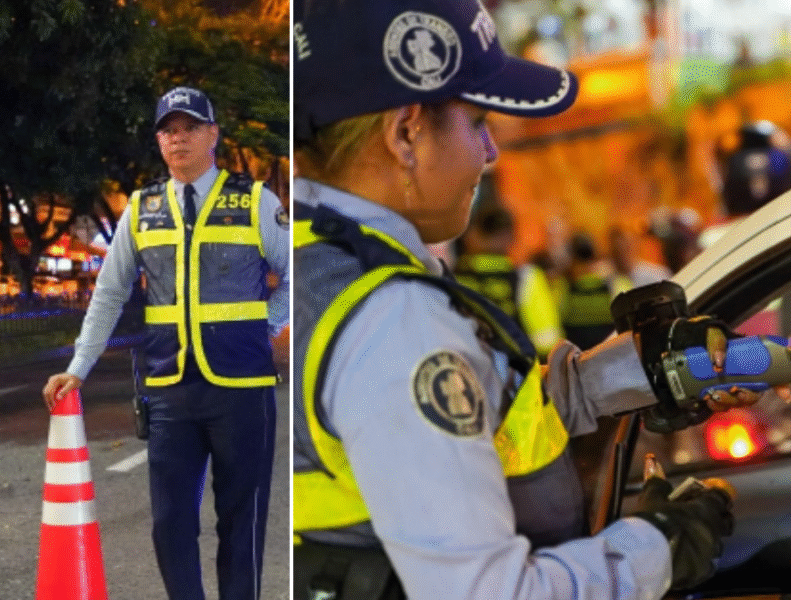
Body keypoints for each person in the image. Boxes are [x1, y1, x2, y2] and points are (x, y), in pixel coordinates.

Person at [292, 1, 783, 598]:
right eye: (477, 122)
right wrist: (658, 543)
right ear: (405, 133)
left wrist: (639, 368)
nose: (491, 152)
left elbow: (491, 423)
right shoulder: (396, 322)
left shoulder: (319, 262)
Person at [43, 86, 289, 600]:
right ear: (159, 141)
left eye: (189, 128)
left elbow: (297, 272)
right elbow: (109, 293)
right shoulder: (142, 208)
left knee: (241, 523)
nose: (178, 140)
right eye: (168, 131)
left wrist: (267, 326)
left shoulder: (254, 201)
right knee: (169, 522)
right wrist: (79, 366)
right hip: (170, 389)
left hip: (242, 387)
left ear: (213, 135)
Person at [452, 204, 563, 357]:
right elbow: (547, 341)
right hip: (517, 374)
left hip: (466, 373)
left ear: (473, 234)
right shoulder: (527, 277)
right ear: (509, 236)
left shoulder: (450, 277)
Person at [555, 231, 632, 350]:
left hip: (577, 359)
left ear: (571, 257)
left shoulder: (562, 287)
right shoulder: (616, 282)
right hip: (609, 355)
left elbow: (555, 323)